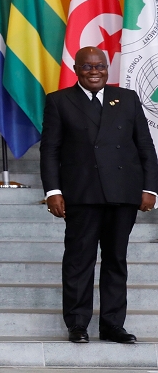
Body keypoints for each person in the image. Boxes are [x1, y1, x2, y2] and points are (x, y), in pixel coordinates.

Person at [42, 46, 158, 344]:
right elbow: (50, 150)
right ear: (76, 69)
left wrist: (149, 188)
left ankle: (112, 325)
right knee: (79, 260)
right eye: (87, 67)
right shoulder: (59, 101)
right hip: (81, 193)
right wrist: (53, 191)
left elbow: (145, 147)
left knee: (116, 260)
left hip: (123, 192)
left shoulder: (129, 99)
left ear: (107, 68)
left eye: (100, 66)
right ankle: (78, 324)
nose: (94, 72)